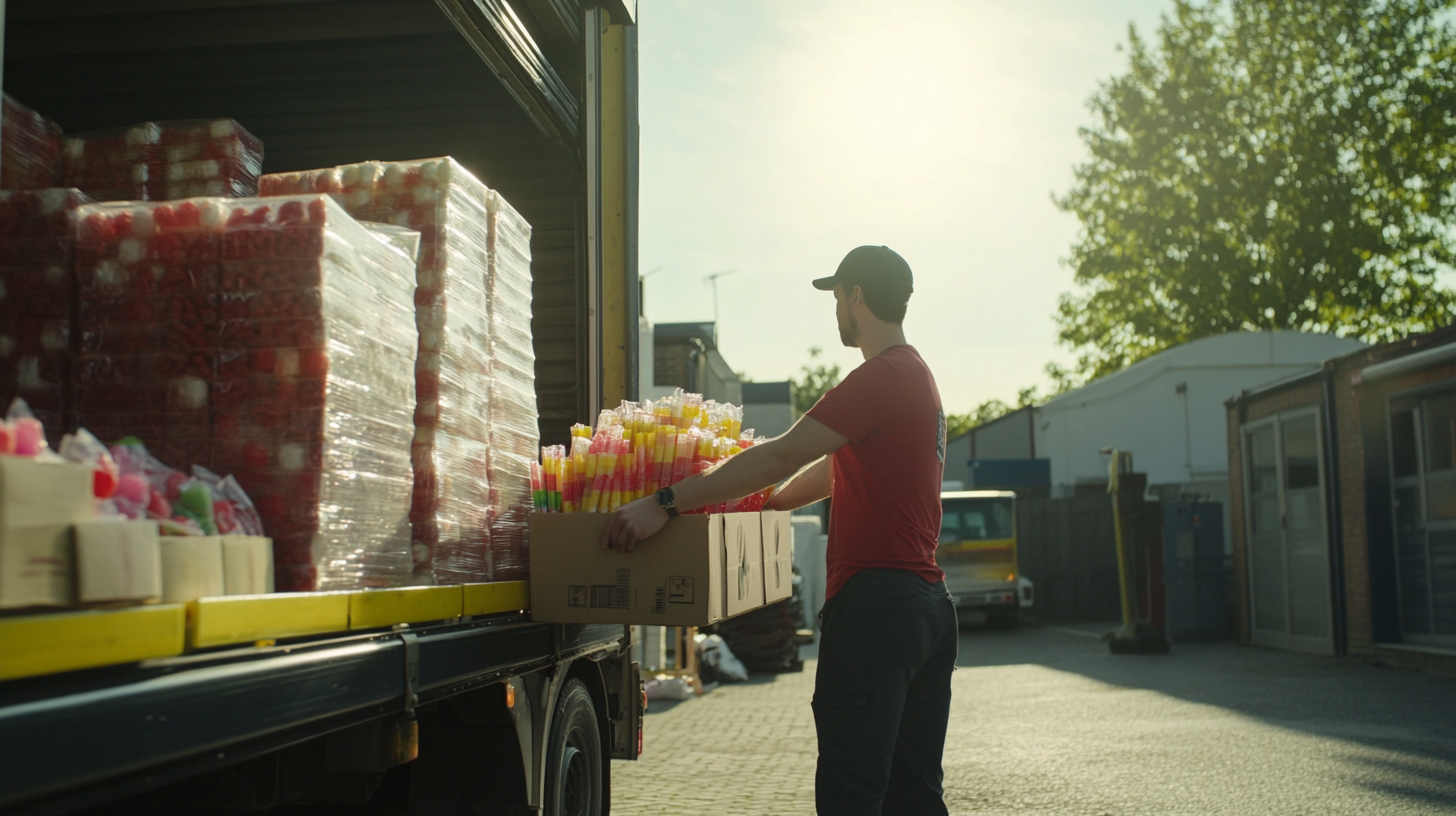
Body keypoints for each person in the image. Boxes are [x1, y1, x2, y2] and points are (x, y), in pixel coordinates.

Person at [601, 245, 956, 815]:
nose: (835, 310)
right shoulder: (919, 378)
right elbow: (837, 467)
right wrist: (767, 503)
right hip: (926, 607)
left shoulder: (879, 377)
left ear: (856, 296)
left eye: (837, 298)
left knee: (852, 794)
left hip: (875, 607)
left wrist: (666, 502)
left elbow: (782, 453)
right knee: (911, 794)